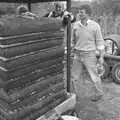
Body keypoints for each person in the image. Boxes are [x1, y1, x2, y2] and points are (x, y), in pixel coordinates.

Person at [71, 4, 105, 101]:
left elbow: (100, 42)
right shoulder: (76, 25)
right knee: (75, 77)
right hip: (77, 54)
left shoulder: (95, 26)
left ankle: (99, 94)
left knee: (94, 76)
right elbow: (73, 40)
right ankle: (75, 95)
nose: (79, 14)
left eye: (81, 12)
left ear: (88, 14)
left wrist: (101, 57)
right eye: (79, 12)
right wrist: (72, 49)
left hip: (89, 55)